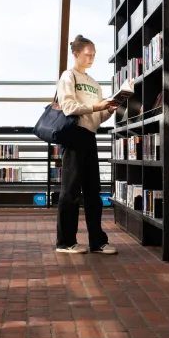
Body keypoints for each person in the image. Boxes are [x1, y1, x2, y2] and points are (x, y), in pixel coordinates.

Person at [56, 35, 118, 254]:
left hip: (90, 136)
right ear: (76, 54)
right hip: (74, 136)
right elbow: (69, 107)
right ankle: (65, 242)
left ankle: (97, 242)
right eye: (87, 54)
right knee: (70, 191)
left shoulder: (93, 83)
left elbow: (97, 118)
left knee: (93, 191)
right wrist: (96, 107)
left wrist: (108, 110)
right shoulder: (68, 76)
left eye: (94, 54)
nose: (91, 57)